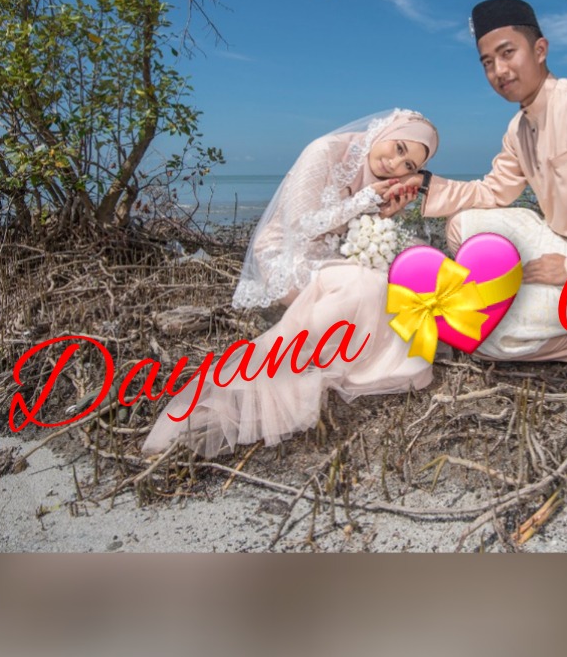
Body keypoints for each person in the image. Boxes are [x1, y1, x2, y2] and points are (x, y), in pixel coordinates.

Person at [392, 0, 567, 378]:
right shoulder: (518, 129)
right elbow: (493, 192)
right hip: (561, 244)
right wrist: (423, 184)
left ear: (540, 50)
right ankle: (507, 298)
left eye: (508, 53)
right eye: (487, 62)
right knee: (462, 224)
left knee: (487, 338)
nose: (499, 71)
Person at [142, 110, 439, 458]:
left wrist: (383, 213)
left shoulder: (378, 178)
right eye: (399, 147)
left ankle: (340, 359)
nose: (395, 163)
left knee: (402, 274)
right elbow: (300, 226)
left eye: (408, 165)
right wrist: (365, 199)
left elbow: (348, 229)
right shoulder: (324, 150)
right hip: (287, 255)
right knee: (366, 285)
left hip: (332, 254)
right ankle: (271, 374)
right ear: (386, 130)